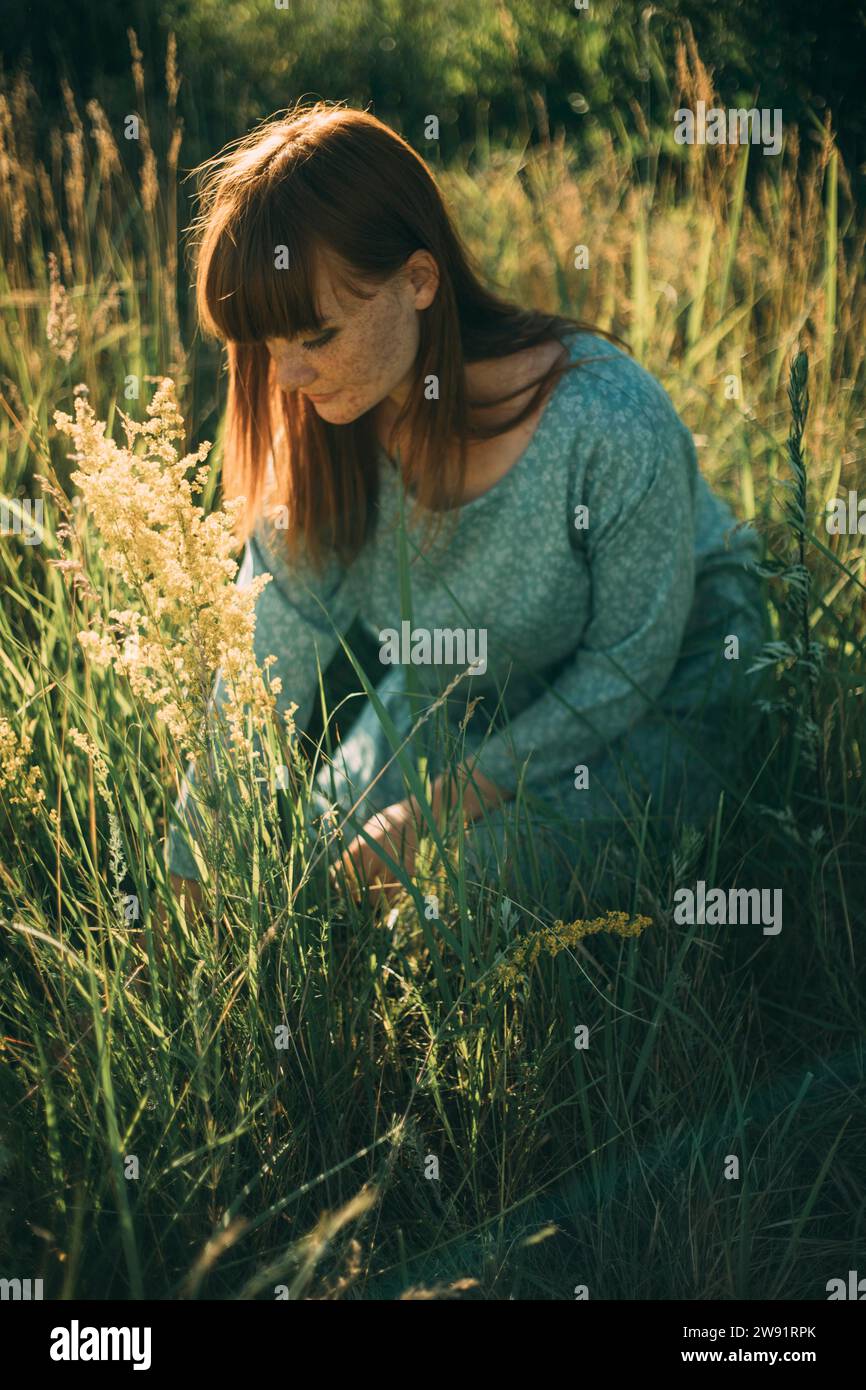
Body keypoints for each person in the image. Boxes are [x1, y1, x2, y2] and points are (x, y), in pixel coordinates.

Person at [166, 100, 767, 915]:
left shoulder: (606, 421)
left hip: (666, 685)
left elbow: (628, 667)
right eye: (267, 346)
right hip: (471, 686)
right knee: (310, 875)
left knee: (465, 893)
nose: (287, 381)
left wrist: (439, 805)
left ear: (418, 280)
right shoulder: (317, 442)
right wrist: (183, 900)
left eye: (315, 336)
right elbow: (252, 694)